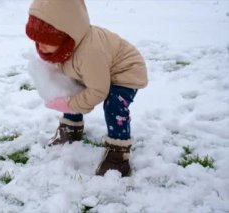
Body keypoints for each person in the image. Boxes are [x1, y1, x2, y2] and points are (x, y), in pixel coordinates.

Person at [25, 0, 148, 177]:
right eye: (36, 39)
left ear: (64, 35)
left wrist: (70, 105)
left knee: (113, 103)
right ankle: (71, 128)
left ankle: (118, 153)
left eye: (46, 40)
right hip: (97, 71)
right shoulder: (66, 46)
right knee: (73, 87)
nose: (40, 45)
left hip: (125, 70)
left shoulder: (89, 53)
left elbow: (99, 91)